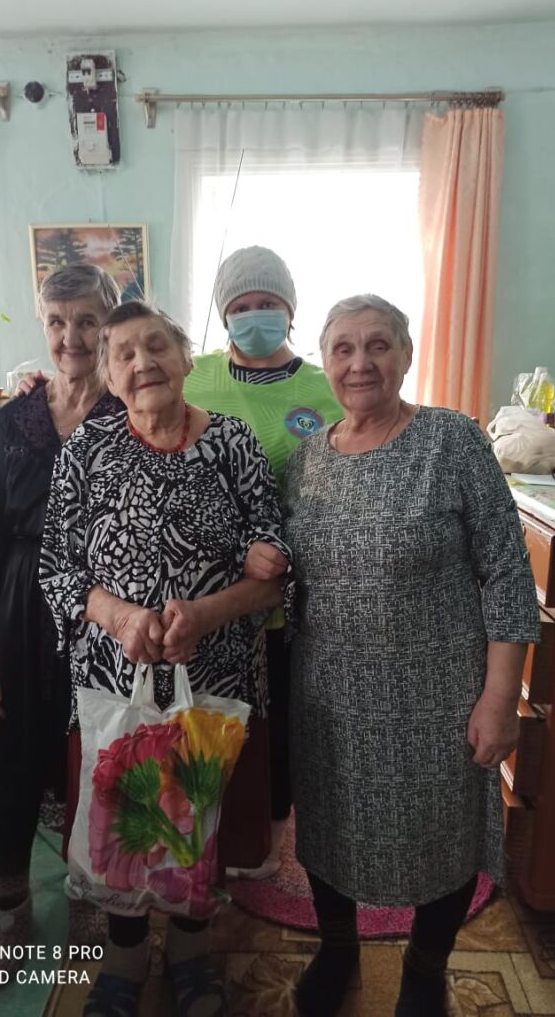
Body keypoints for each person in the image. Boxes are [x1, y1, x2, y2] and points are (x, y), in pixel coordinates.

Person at [280, 294, 541, 1017]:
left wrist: (500, 698)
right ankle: (337, 951)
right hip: (328, 698)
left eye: (378, 345)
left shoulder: (452, 442)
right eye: (342, 348)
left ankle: (425, 970)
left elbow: (506, 572)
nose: (360, 363)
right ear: (324, 362)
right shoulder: (305, 461)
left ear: (406, 354)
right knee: (327, 834)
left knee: (442, 840)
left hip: (437, 697)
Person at [38, 300, 291, 1017]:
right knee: (123, 825)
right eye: (123, 353)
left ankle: (189, 953)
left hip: (215, 680)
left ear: (185, 359)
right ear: (109, 375)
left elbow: (276, 564)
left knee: (197, 825)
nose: (142, 362)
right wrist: (119, 617)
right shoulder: (85, 451)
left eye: (156, 346)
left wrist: (209, 612)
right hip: (112, 683)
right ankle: (123, 957)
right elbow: (56, 568)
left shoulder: (234, 442)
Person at [0, 264, 124, 981]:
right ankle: (9, 903)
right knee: (18, 754)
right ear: (42, 325)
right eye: (57, 322)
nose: (71, 337)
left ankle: (99, 895)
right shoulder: (11, 421)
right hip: (23, 605)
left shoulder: (130, 413)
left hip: (108, 607)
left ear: (108, 325)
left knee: (103, 755)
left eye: (87, 321)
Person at [184, 245, 343, 879]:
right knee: (208, 714)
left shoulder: (324, 387)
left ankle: (272, 834)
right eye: (242, 306)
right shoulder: (192, 375)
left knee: (281, 717)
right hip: (205, 586)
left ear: (290, 310)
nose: (255, 316)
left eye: (268, 304)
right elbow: (122, 398)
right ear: (223, 314)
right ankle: (203, 832)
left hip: (300, 587)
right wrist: (35, 383)